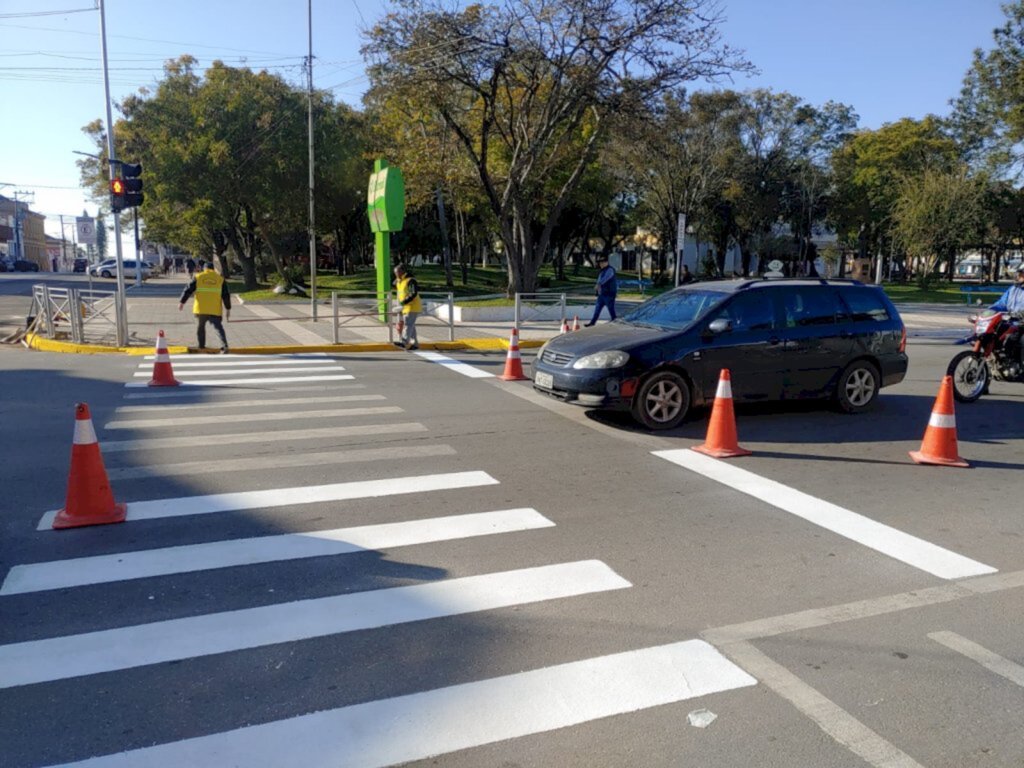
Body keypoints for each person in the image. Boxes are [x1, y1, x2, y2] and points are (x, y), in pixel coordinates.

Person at [178, 260, 230, 353]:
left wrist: (182, 302)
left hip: (200, 309)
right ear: (213, 269)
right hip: (215, 309)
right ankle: (224, 346)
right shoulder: (220, 279)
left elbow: (188, 290)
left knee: (200, 328)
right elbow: (225, 295)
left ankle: (201, 346)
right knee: (218, 328)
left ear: (204, 269)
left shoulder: (198, 277)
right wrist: (228, 308)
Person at [393, 264, 421, 350]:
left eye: (397, 272)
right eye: (395, 273)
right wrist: (400, 305)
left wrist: (403, 302)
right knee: (411, 325)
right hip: (405, 306)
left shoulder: (410, 280)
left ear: (402, 272)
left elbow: (413, 293)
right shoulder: (399, 281)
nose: (395, 274)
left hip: (412, 306)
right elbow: (399, 291)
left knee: (408, 324)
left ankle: (404, 342)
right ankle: (415, 344)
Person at [585, 255, 617, 326]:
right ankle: (592, 323)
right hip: (602, 294)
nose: (600, 264)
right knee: (597, 310)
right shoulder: (602, 271)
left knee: (611, 310)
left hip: (609, 294)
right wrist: (598, 290)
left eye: (602, 262)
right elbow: (599, 281)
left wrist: (598, 284)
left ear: (606, 262)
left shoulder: (610, 270)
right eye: (600, 263)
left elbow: (605, 279)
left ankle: (616, 322)